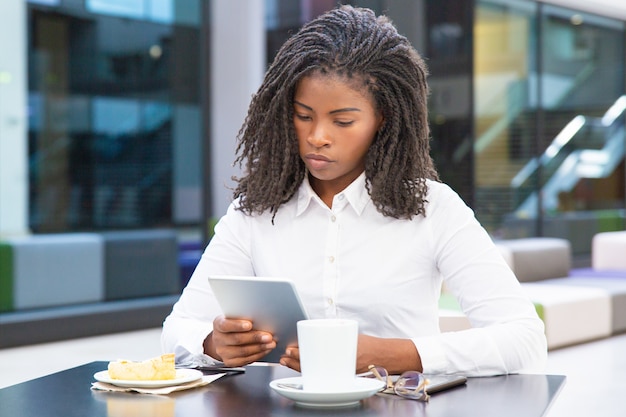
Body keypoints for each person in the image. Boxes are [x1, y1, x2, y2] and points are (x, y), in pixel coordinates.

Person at [162, 5, 547, 377]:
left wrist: (396, 354)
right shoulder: (254, 213)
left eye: (343, 121)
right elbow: (176, 331)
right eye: (303, 116)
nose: (317, 137)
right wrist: (213, 343)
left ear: (383, 118)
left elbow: (524, 339)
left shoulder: (434, 209)